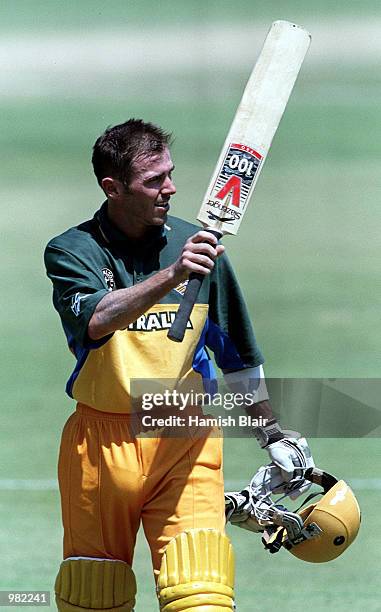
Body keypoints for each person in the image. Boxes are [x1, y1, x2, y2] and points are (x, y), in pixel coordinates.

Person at [44, 119, 313, 611]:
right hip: (102, 449)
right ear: (113, 187)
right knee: (93, 598)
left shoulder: (201, 246)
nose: (170, 187)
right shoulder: (71, 251)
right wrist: (173, 275)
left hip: (185, 439)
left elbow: (237, 356)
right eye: (153, 180)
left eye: (169, 173)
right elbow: (97, 319)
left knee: (202, 596)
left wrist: (273, 433)